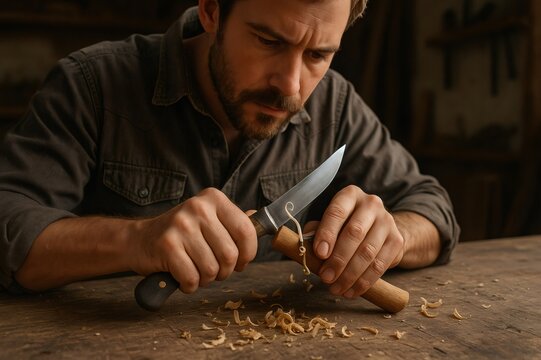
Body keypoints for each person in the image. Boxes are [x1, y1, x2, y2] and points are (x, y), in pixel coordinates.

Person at [0, 0, 459, 300]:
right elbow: (9, 219)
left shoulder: (335, 104)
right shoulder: (92, 85)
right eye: (269, 41)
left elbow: (433, 210)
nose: (291, 85)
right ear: (211, 10)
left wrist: (388, 236)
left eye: (318, 54)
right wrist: (133, 240)